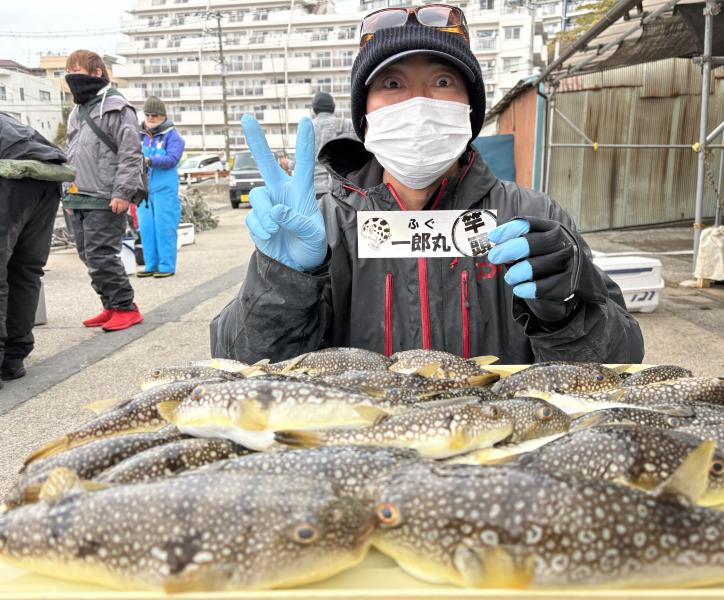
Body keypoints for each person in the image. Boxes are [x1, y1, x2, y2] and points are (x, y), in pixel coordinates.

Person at [210, 4, 644, 364]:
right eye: (392, 83)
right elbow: (242, 366)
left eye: (442, 81)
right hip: (364, 441)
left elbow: (621, 362)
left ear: (469, 110)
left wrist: (567, 310)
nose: (418, 102)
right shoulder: (327, 228)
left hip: (497, 437)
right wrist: (283, 280)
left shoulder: (534, 218)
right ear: (366, 117)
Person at [63, 50, 143, 331]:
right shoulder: (77, 111)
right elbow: (71, 152)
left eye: (76, 70)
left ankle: (125, 307)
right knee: (87, 255)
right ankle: (110, 304)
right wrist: (67, 191)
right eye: (68, 72)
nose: (71, 76)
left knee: (102, 255)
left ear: (97, 72)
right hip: (78, 194)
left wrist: (122, 192)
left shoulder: (117, 107)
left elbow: (131, 153)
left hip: (105, 196)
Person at [0, 113, 72, 388]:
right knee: (25, 269)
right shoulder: (8, 121)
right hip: (46, 176)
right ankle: (13, 359)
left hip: (12, 176)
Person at [138, 96, 185, 278]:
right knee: (146, 228)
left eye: (155, 115)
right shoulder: (139, 135)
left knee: (164, 227)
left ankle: (166, 266)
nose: (150, 118)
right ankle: (150, 265)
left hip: (164, 190)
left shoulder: (173, 137)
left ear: (163, 116)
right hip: (142, 189)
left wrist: (150, 161)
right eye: (147, 114)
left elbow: (172, 159)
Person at [310, 91, 355, 199]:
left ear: (314, 109)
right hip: (342, 191)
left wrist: (287, 163)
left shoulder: (308, 127)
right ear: (333, 107)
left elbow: (299, 162)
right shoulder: (347, 124)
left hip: (313, 189)